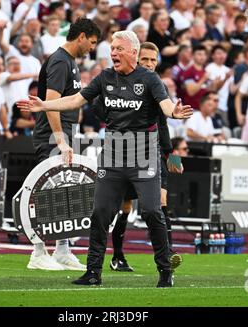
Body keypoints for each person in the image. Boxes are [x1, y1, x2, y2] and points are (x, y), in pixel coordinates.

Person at [17, 30, 192, 287]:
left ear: (133, 52)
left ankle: (165, 271)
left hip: (143, 155)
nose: (113, 53)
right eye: (112, 49)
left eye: (119, 49)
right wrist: (44, 105)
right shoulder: (105, 77)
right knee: (100, 213)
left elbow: (166, 109)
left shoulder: (151, 80)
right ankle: (93, 272)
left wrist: (175, 114)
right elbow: (76, 100)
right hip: (112, 156)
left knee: (153, 212)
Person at [90, 42, 183, 273]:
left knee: (159, 204)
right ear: (137, 59)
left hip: (151, 152)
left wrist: (170, 153)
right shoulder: (118, 81)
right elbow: (96, 103)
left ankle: (167, 255)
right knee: (125, 207)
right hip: (121, 154)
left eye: (154, 60)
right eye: (146, 60)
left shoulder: (155, 84)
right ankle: (118, 256)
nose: (150, 64)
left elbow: (163, 122)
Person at [25, 18, 100, 272]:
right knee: (46, 192)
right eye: (91, 42)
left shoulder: (71, 62)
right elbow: (51, 103)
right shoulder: (59, 61)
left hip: (66, 133)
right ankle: (37, 252)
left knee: (66, 191)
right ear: (81, 36)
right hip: (52, 135)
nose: (92, 48)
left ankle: (62, 250)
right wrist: (60, 139)